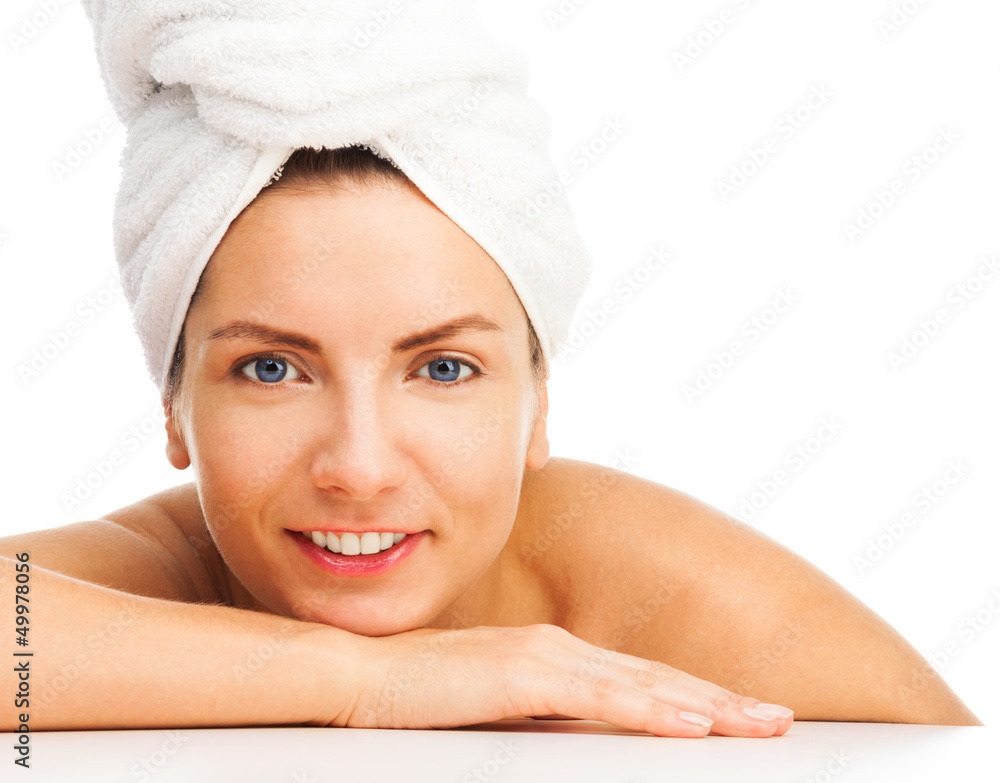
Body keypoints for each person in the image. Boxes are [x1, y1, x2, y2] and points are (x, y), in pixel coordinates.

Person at [1, 0, 981, 736]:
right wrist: (368, 679)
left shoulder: (671, 591)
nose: (359, 468)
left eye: (442, 369)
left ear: (537, 406)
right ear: (174, 407)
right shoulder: (175, 566)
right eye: (270, 369)